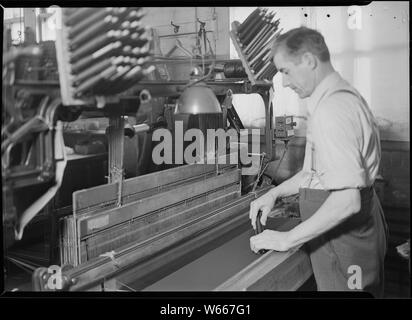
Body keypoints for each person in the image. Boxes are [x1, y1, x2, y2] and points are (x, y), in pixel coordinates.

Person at [249, 27, 388, 297]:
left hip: (345, 238)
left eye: (285, 71)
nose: (285, 83)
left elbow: (347, 200)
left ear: (310, 61)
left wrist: (285, 239)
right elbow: (313, 173)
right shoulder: (334, 99)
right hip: (341, 234)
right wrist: (274, 193)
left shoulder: (332, 111)